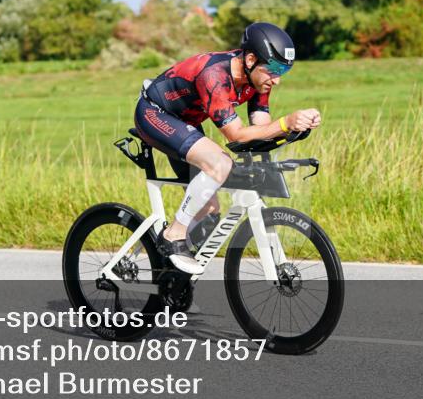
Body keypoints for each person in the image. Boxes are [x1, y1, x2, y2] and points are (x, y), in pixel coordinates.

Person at [132, 22, 321, 274]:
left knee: (209, 211)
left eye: (283, 71)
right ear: (251, 59)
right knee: (219, 164)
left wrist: (295, 130)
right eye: (274, 70)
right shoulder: (215, 75)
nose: (277, 80)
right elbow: (236, 134)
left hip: (186, 122)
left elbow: (260, 129)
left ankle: (170, 276)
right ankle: (172, 235)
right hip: (155, 113)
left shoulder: (258, 78)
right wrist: (286, 122)